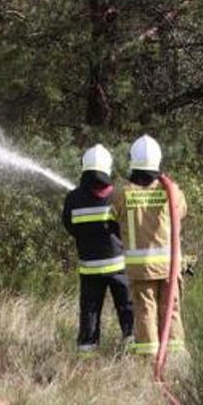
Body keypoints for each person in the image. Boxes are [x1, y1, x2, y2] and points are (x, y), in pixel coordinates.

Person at [111, 135, 188, 356]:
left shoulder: (122, 193)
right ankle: (175, 357)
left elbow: (111, 221)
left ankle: (149, 358)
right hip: (169, 267)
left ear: (132, 161)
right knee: (172, 310)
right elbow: (182, 213)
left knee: (145, 311)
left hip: (141, 268)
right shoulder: (172, 191)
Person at [63, 144, 133, 354]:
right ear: (107, 168)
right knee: (127, 309)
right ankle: (131, 348)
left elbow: (69, 226)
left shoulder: (73, 198)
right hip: (119, 267)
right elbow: (125, 228)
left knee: (90, 312)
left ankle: (86, 354)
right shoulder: (118, 196)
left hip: (89, 268)